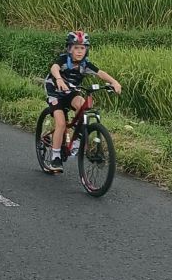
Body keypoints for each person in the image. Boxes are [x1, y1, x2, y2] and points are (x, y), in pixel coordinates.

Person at [43, 30, 121, 173]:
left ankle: (77, 136)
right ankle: (55, 158)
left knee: (82, 105)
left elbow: (100, 73)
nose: (79, 51)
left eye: (82, 48)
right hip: (55, 90)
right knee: (60, 123)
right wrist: (59, 79)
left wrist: (114, 82)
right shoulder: (63, 60)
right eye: (76, 48)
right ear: (69, 48)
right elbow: (54, 68)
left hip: (71, 91)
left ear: (86, 50)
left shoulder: (85, 64)